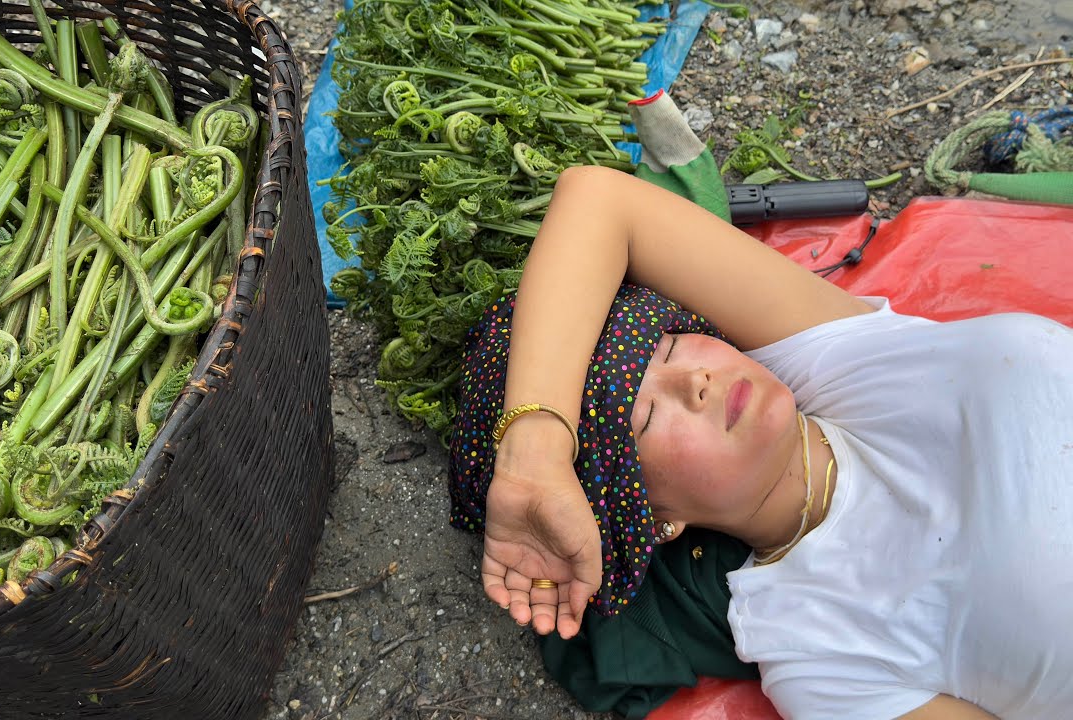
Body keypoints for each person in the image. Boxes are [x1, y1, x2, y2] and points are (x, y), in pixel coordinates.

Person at [447, 165, 1073, 719]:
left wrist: (535, 452)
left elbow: (600, 200)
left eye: (669, 345)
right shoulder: (817, 646)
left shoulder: (844, 363)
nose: (695, 380)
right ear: (656, 520)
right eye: (646, 417)